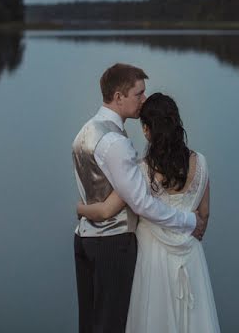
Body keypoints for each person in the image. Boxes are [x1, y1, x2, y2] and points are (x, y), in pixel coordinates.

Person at [73, 64, 207, 333]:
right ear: (119, 97)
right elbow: (141, 203)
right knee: (110, 325)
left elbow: (105, 199)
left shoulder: (84, 132)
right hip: (113, 243)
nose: (143, 100)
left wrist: (82, 209)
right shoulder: (117, 143)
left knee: (89, 324)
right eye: (139, 94)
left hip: (85, 239)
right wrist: (188, 221)